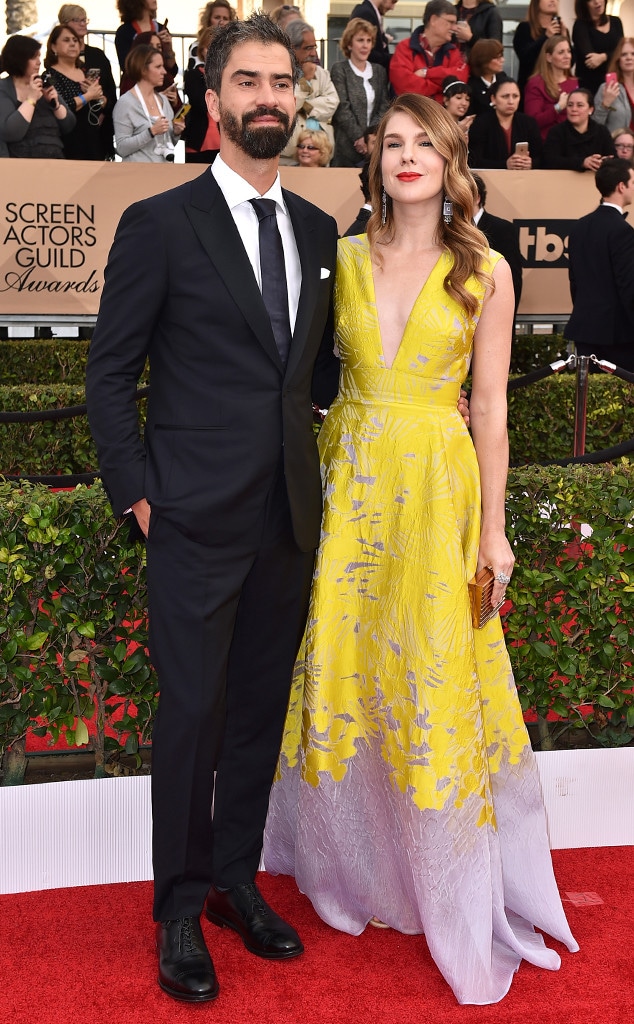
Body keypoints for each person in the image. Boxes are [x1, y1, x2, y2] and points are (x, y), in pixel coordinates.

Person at [263, 92, 578, 1006]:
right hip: (350, 487)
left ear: (450, 160)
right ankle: (359, 872)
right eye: (392, 142)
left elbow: (491, 411)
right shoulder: (342, 259)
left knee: (432, 679)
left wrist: (494, 531)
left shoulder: (485, 269)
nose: (407, 157)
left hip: (437, 495)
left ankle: (443, 881)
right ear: (374, 159)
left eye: (423, 144)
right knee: (348, 673)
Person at [86, 12, 341, 1004]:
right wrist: (139, 495)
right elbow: (111, 376)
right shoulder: (159, 222)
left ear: (297, 96)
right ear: (215, 95)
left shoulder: (319, 231)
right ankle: (180, 907)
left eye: (282, 82)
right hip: (190, 520)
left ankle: (236, 876)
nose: (267, 98)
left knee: (253, 717)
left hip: (286, 518)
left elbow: (313, 374)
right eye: (249, 82)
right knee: (191, 717)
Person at [564, 157, 634, 370]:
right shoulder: (623, 232)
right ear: (621, 186)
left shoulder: (579, 227)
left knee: (586, 398)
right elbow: (628, 287)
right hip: (618, 335)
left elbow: (574, 282)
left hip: (585, 330)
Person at [0, 33, 75, 159]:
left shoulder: (43, 84)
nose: (39, 62)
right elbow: (11, 132)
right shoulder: (4, 88)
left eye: (39, 57)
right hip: (21, 165)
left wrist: (55, 105)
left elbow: (69, 124)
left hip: (55, 162)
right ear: (19, 59)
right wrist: (31, 99)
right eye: (34, 57)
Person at [57, 4, 117, 158]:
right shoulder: (59, 61)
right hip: (72, 130)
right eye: (77, 20)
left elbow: (110, 90)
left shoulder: (97, 55)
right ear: (64, 24)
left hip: (99, 130)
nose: (82, 24)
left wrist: (103, 106)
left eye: (85, 20)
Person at [329, 18, 390, 167]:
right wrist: (358, 138)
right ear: (349, 44)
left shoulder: (379, 71)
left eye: (369, 40)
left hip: (373, 147)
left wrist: (371, 137)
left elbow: (383, 106)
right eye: (360, 40)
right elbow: (342, 107)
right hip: (346, 146)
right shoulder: (340, 69)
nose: (365, 45)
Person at [279, 20, 338, 166]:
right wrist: (304, 81)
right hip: (291, 157)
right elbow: (288, 107)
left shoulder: (322, 74)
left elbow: (332, 103)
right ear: (292, 49)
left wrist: (304, 108)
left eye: (314, 47)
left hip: (321, 156)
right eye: (308, 48)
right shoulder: (280, 74)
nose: (313, 53)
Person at [45, 23, 107, 159]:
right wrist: (88, 96)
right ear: (53, 47)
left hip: (93, 140)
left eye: (75, 40)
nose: (73, 44)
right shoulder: (50, 76)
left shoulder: (85, 72)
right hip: (69, 142)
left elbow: (101, 104)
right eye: (66, 40)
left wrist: (99, 97)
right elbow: (62, 105)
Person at [112, 44, 183, 161]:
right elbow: (122, 148)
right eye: (158, 67)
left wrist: (176, 133)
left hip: (164, 173)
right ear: (143, 69)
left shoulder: (163, 100)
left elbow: (167, 144)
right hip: (137, 175)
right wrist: (151, 131)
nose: (164, 71)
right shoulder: (126, 103)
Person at [389, 0, 468, 102]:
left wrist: (426, 73)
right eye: (450, 22)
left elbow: (460, 82)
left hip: (439, 116)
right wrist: (442, 88)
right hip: (409, 114)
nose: (454, 28)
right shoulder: (405, 48)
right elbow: (405, 88)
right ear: (433, 20)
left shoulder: (453, 52)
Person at [471, 171, 523, 315]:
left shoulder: (502, 229)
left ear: (477, 198)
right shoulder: (447, 228)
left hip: (492, 312)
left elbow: (514, 280)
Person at [468, 78, 543, 168]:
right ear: (493, 99)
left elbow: (542, 157)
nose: (511, 101)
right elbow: (474, 161)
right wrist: (505, 165)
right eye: (505, 96)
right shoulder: (481, 124)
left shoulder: (529, 123)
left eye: (515, 96)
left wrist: (532, 163)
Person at [543, 86, 615, 169]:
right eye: (570, 105)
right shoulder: (556, 132)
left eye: (579, 105)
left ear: (590, 110)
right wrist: (581, 162)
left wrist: (604, 161)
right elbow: (548, 161)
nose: (574, 109)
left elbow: (614, 159)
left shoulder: (601, 131)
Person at [524, 35, 578, 140]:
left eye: (569, 51)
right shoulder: (536, 83)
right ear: (549, 57)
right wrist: (558, 107)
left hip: (572, 141)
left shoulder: (574, 82)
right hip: (546, 142)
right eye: (561, 52)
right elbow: (532, 122)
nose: (567, 56)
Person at [513, 0, 570, 99]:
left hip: (556, 90)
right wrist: (546, 37)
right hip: (531, 90)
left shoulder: (561, 30)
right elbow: (525, 57)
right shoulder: (525, 28)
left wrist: (565, 39)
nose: (553, 1)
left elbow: (570, 63)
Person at [183, 25, 220, 163]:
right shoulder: (192, 75)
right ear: (202, 50)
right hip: (199, 141)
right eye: (209, 47)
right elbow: (201, 103)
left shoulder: (230, 76)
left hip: (225, 144)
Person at [572, 0, 623, 97]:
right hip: (589, 86)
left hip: (614, 82)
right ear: (584, 4)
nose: (597, 2)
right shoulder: (580, 25)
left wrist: (604, 57)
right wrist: (612, 55)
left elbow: (621, 51)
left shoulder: (616, 22)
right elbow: (591, 60)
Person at [115, 0, 175, 77]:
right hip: (135, 84)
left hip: (162, 84)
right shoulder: (124, 31)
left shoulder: (161, 28)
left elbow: (172, 69)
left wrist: (169, 49)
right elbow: (126, 67)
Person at [593, 37, 634, 135]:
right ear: (618, 60)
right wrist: (605, 104)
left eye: (633, 54)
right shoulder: (606, 88)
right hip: (616, 147)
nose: (629, 57)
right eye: (624, 54)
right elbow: (594, 127)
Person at [349, 0, 399, 70]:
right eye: (393, 2)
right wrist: (398, 58)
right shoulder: (365, 13)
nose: (392, 8)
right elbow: (369, 54)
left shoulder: (368, 12)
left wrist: (384, 39)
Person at [186, 0, 236, 70]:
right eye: (217, 17)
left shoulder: (235, 46)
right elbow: (194, 77)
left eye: (225, 18)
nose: (221, 22)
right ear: (208, 20)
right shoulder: (197, 47)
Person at [466, 37, 507, 115]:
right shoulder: (471, 87)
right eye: (498, 58)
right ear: (484, 60)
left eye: (502, 56)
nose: (502, 60)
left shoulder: (502, 78)